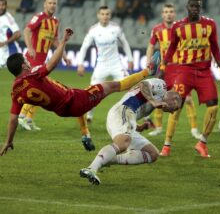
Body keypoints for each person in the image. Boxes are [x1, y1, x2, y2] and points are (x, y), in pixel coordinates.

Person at [0, 28, 160, 156]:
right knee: (112, 86)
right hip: (75, 100)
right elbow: (52, 64)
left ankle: (92, 132)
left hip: (63, 109)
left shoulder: (16, 92)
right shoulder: (34, 76)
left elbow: (13, 119)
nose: (28, 60)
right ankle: (148, 71)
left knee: (80, 95)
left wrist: (9, 140)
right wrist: (63, 42)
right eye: (26, 60)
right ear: (24, 66)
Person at [158, 0, 220, 157]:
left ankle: (202, 143)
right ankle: (167, 145)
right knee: (176, 106)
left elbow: (215, 47)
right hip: (185, 71)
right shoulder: (178, 26)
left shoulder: (210, 24)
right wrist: (163, 67)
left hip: (204, 72)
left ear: (200, 8)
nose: (195, 9)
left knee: (214, 106)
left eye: (198, 6)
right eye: (192, 6)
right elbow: (172, 48)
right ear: (187, 7)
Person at [80, 79, 182, 185]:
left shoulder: (156, 103)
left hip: (125, 116)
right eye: (175, 108)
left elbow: (131, 115)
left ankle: (107, 159)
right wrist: (153, 101)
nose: (172, 112)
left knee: (152, 154)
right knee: (123, 142)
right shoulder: (162, 85)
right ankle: (91, 169)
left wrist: (138, 127)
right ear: (175, 98)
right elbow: (143, 84)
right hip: (122, 111)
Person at [145, 3, 200, 139]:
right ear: (162, 14)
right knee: (159, 96)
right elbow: (151, 46)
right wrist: (148, 62)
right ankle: (158, 127)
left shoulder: (181, 28)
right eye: (166, 11)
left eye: (171, 11)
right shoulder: (157, 29)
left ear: (174, 14)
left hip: (180, 67)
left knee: (186, 98)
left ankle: (194, 129)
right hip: (164, 69)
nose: (168, 14)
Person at [18, 0, 70, 133]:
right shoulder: (39, 17)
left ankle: (27, 118)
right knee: (38, 88)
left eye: (54, 3)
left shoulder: (55, 21)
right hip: (32, 59)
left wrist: (64, 55)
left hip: (42, 61)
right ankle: (22, 116)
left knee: (41, 90)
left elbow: (55, 40)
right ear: (44, 4)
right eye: (50, 3)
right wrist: (30, 47)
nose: (52, 5)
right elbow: (27, 30)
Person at [77, 5, 133, 124]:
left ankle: (131, 114)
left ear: (110, 15)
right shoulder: (93, 30)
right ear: (98, 15)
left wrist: (130, 59)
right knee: (93, 91)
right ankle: (89, 115)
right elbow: (84, 47)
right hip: (101, 66)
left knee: (129, 87)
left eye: (107, 14)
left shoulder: (116, 28)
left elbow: (125, 43)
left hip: (116, 64)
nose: (105, 16)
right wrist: (80, 64)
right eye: (102, 14)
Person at [0, 0, 21, 68]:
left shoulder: (8, 17)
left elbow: (18, 34)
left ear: (6, 6)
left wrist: (5, 43)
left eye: (3, 5)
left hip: (9, 50)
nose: (1, 7)